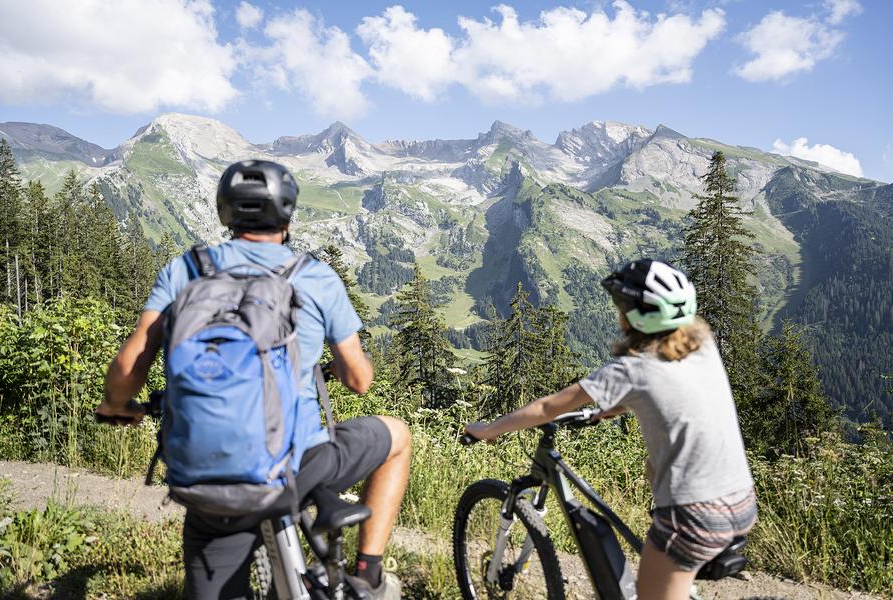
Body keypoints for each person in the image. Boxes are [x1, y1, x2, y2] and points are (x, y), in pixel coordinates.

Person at [96, 159, 411, 599]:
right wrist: (335, 365)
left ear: (226, 212)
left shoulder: (186, 270)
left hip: (204, 477)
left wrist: (116, 406)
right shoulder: (313, 276)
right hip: (296, 466)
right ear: (287, 213)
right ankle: (369, 573)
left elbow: (131, 364)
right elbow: (360, 379)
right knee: (397, 436)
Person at [464, 259, 756, 600]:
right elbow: (672, 391)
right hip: (742, 500)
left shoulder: (632, 370)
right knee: (655, 466)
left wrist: (489, 430)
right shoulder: (702, 344)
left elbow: (546, 408)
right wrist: (613, 407)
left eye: (620, 305)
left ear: (634, 315)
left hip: (693, 516)